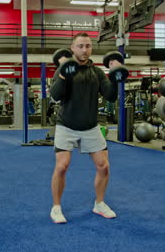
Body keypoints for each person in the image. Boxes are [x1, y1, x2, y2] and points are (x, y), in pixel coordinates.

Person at [49, 32, 120, 223]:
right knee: (62, 166)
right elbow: (55, 96)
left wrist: (115, 76)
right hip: (66, 125)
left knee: (103, 166)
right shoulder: (63, 69)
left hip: (90, 126)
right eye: (80, 46)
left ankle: (99, 203)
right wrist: (64, 74)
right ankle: (56, 207)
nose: (84, 50)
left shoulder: (96, 73)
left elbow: (111, 97)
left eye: (88, 46)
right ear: (72, 48)